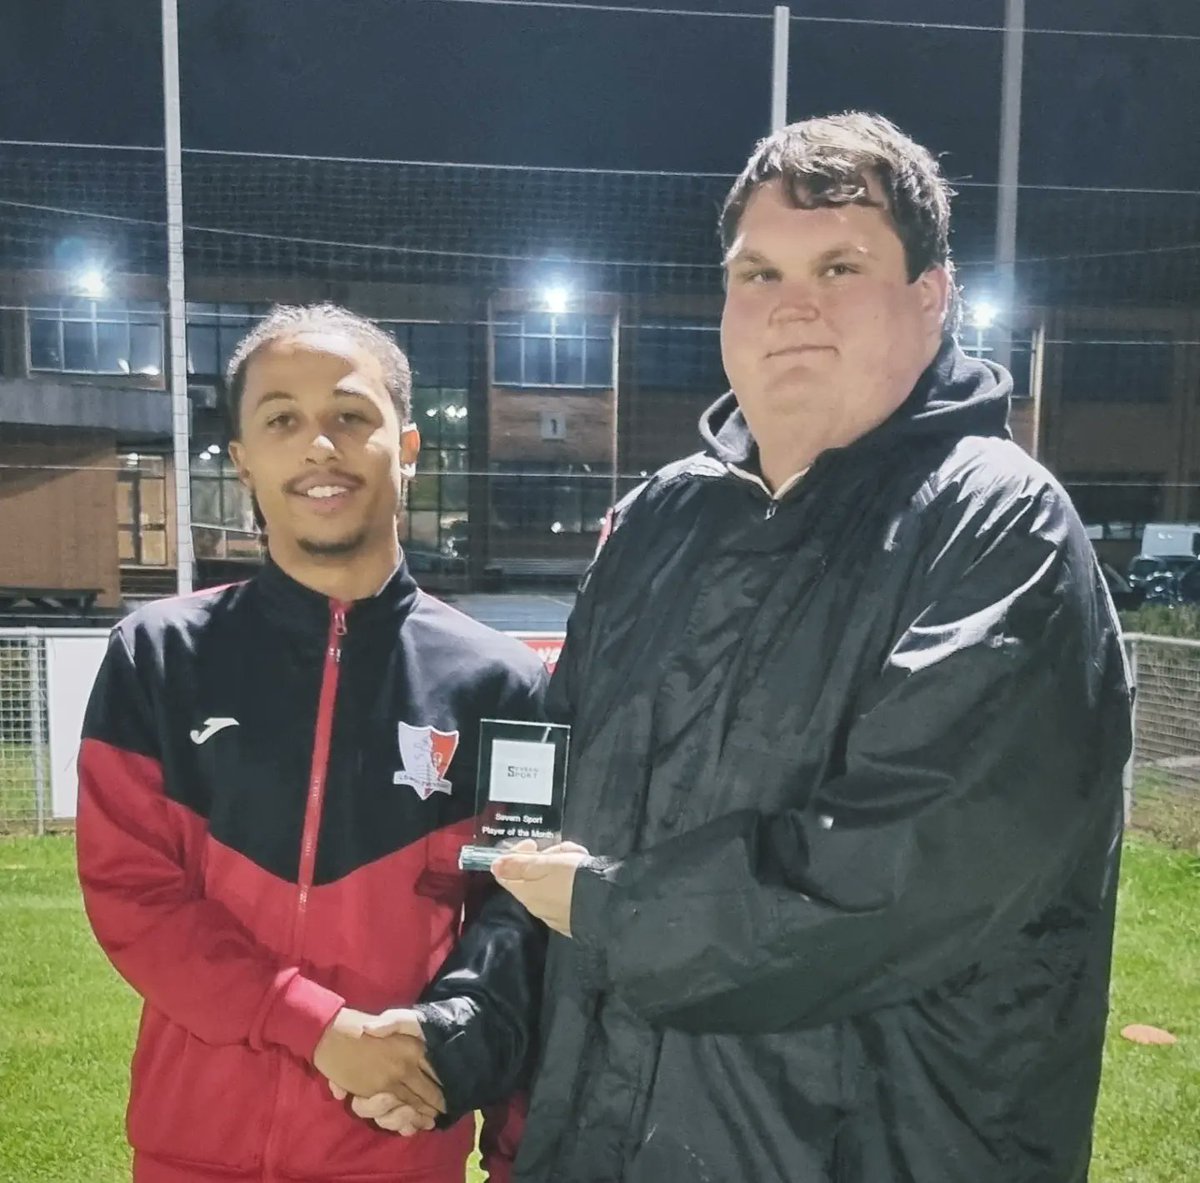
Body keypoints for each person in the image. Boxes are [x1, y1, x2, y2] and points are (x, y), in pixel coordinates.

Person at [485, 113, 1132, 1182]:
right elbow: (537, 812)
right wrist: (466, 1019)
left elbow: (899, 879)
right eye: (759, 272)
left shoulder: (1000, 528)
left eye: (840, 266)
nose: (792, 305)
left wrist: (608, 906)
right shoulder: (655, 524)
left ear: (932, 295)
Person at [76, 304, 547, 1183]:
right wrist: (319, 1028)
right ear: (244, 459)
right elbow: (132, 894)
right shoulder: (158, 655)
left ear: (408, 448)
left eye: (351, 415)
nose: (320, 445)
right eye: (282, 419)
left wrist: (510, 1142)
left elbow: (522, 930)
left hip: (397, 1149)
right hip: (193, 1153)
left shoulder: (505, 685)